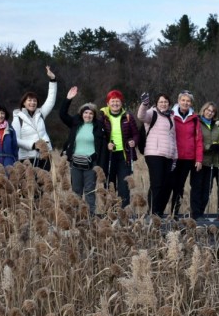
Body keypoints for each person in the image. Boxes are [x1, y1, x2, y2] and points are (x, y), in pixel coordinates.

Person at [59, 86, 107, 215]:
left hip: (91, 163)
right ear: (81, 113)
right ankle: (77, 216)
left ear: (94, 115)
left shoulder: (98, 127)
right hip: (75, 163)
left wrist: (100, 164)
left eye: (91, 113)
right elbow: (62, 115)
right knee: (76, 191)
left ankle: (91, 216)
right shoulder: (75, 123)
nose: (88, 115)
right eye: (86, 112)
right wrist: (68, 99)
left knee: (90, 190)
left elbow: (103, 146)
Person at [137, 93, 177, 216]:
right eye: (161, 102)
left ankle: (159, 210)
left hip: (168, 155)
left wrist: (175, 157)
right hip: (154, 153)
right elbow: (141, 116)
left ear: (169, 104)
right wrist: (144, 104)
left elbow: (173, 138)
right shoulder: (152, 113)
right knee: (157, 183)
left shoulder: (171, 116)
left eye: (165, 102)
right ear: (156, 103)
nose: (163, 104)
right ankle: (154, 212)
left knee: (166, 184)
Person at [12, 65, 57, 169]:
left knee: (45, 185)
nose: (32, 103)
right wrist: (33, 145)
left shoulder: (41, 114)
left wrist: (53, 80)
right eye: (29, 100)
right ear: (23, 103)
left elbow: (51, 100)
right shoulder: (17, 118)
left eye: (34, 101)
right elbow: (16, 139)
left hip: (44, 157)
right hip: (27, 159)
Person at [100, 89, 140, 207]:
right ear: (108, 103)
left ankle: (124, 213)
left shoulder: (128, 116)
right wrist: (107, 144)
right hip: (109, 155)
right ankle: (110, 212)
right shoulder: (103, 117)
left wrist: (134, 141)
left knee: (124, 186)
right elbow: (99, 135)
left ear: (121, 103)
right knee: (109, 184)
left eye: (117, 101)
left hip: (124, 155)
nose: (115, 103)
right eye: (112, 101)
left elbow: (136, 134)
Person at [169, 91, 204, 218]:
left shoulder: (194, 119)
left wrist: (199, 159)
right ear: (178, 101)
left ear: (191, 103)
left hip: (190, 158)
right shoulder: (172, 115)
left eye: (188, 101)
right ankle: (173, 213)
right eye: (183, 100)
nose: (185, 103)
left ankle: (194, 213)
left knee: (192, 186)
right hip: (176, 157)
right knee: (176, 186)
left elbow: (199, 140)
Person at [193, 101, 219, 217]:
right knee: (197, 188)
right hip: (200, 161)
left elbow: (218, 139)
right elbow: (195, 140)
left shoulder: (215, 125)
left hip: (212, 162)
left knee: (207, 190)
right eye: (208, 110)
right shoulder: (197, 122)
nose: (210, 113)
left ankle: (201, 213)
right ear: (203, 110)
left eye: (212, 111)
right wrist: (209, 147)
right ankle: (195, 213)